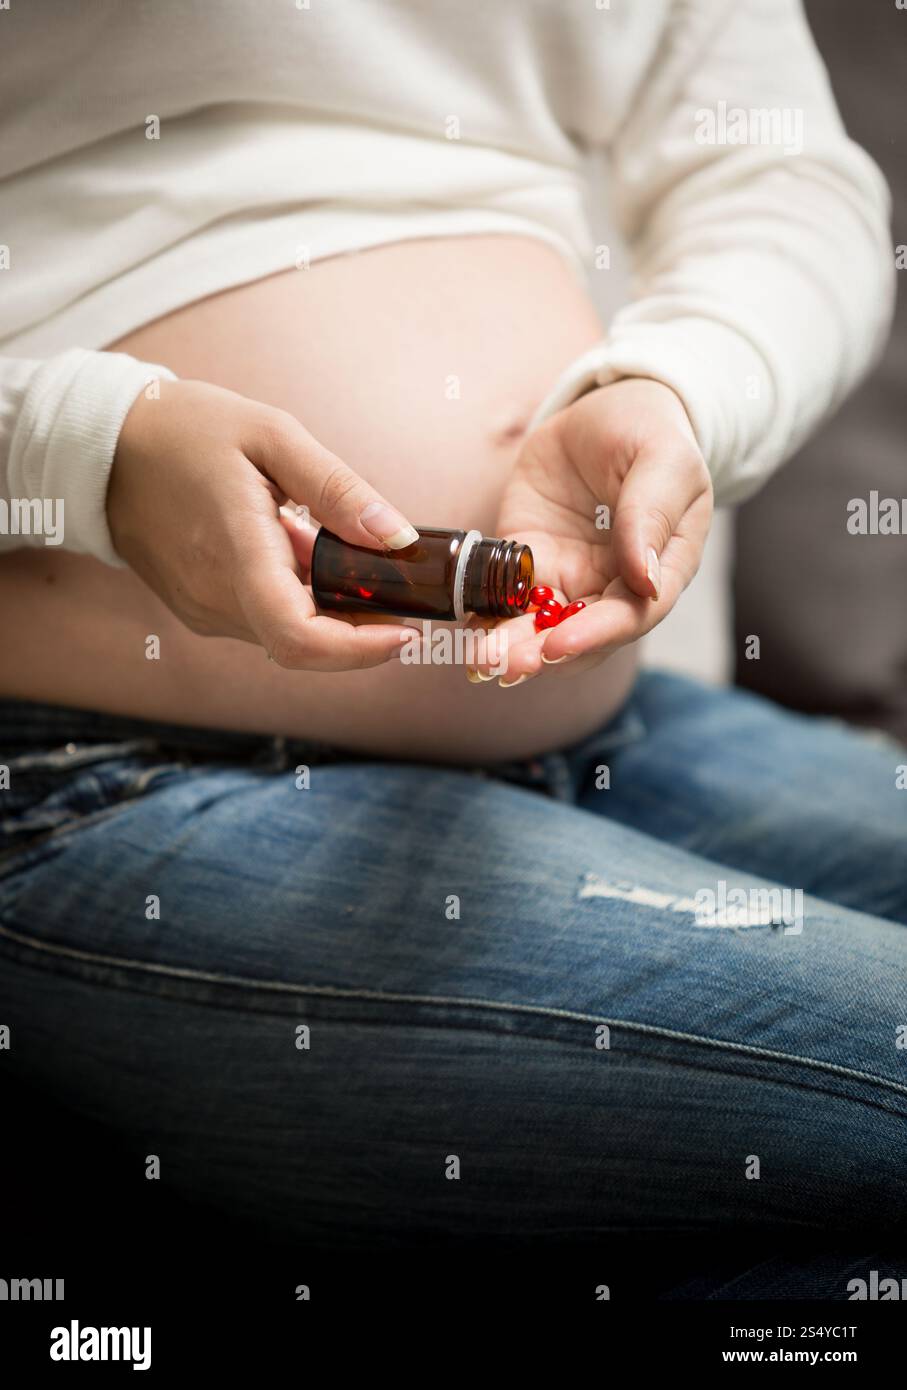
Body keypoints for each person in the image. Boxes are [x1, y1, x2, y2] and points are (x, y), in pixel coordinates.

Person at [1, 1, 904, 1260]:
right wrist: (86, 453)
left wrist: (684, 381)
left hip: (609, 733)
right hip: (107, 774)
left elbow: (778, 172)